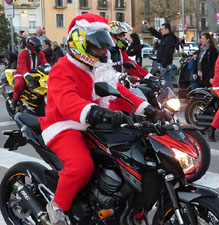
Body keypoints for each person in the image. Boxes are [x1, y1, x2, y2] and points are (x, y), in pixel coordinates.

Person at [39, 13, 164, 225]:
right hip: (64, 125)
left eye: (103, 47)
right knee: (81, 166)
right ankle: (57, 207)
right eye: (97, 47)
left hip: (94, 125)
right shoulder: (62, 68)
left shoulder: (98, 67)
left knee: (130, 155)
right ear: (80, 43)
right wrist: (97, 113)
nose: (102, 51)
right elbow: (67, 100)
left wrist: (148, 110)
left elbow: (119, 91)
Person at [12, 36, 47, 109]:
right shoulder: (24, 53)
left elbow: (44, 64)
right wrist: (26, 75)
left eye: (39, 46)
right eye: (36, 46)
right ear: (30, 46)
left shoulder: (41, 54)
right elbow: (21, 65)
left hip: (35, 73)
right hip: (21, 73)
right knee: (20, 84)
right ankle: (15, 100)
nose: (38, 48)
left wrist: (49, 71)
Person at [143, 20, 178, 90]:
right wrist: (149, 27)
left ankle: (170, 96)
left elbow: (167, 53)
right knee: (165, 81)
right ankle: (168, 96)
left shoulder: (170, 39)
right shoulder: (165, 37)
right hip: (163, 63)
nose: (161, 30)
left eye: (162, 29)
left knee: (166, 82)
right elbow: (156, 34)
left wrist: (164, 65)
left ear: (167, 29)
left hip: (166, 64)